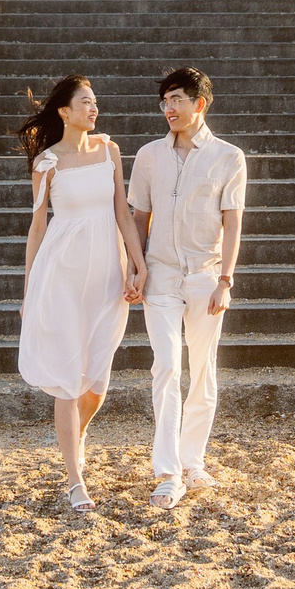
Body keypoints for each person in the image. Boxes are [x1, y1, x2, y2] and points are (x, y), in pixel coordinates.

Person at [14, 74, 147, 511]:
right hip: (61, 275)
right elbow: (37, 229)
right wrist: (29, 288)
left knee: (97, 384)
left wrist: (137, 263)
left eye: (95, 102)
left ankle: (76, 434)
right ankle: (75, 480)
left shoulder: (109, 150)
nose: (94, 108)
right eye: (85, 103)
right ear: (63, 111)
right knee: (68, 385)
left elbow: (123, 214)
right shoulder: (47, 163)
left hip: (107, 273)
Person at [128, 65, 247, 509]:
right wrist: (134, 268)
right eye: (165, 101)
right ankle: (168, 471)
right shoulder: (148, 156)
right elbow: (138, 217)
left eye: (177, 99)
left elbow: (232, 222)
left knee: (203, 370)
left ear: (199, 103)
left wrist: (225, 280)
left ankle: (193, 459)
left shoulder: (228, 157)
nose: (169, 109)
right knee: (166, 367)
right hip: (158, 275)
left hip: (204, 276)